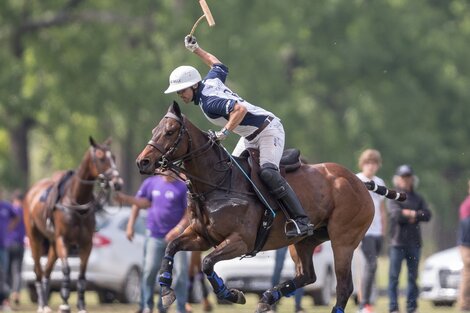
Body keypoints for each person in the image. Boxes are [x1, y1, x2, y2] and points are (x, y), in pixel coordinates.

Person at [162, 35, 314, 238]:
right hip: (249, 135)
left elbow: (239, 110)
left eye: (182, 90)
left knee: (268, 173)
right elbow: (218, 64)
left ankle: (301, 220)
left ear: (194, 86)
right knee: (230, 170)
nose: (180, 95)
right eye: (178, 92)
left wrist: (224, 133)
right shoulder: (210, 81)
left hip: (268, 130)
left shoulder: (209, 102)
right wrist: (196, 49)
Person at [116, 172, 190, 313]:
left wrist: (178, 229)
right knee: (149, 270)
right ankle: (146, 305)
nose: (165, 167)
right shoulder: (151, 183)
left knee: (180, 273)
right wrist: (130, 223)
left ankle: (180, 308)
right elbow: (142, 203)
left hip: (177, 240)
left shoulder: (182, 187)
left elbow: (189, 213)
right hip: (154, 235)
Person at [387, 165, 431, 313]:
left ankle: (411, 307)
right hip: (397, 243)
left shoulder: (418, 198)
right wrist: (416, 215)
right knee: (394, 277)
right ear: (398, 179)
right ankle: (393, 307)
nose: (406, 180)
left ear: (412, 179)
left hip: (414, 243)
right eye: (403, 177)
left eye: (408, 177)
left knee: (413, 277)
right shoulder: (393, 196)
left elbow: (427, 215)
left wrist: (409, 213)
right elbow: (397, 216)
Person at [355, 149, 387, 313]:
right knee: (371, 264)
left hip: (377, 232)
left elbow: (382, 209)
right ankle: (363, 304)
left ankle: (365, 301)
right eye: (368, 163)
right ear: (363, 164)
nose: (371, 166)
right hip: (364, 231)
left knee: (371, 267)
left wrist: (383, 230)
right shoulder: (357, 180)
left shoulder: (380, 182)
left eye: (374, 163)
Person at [0, 191, 19, 312]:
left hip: (3, 246)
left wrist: (9, 228)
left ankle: (4, 301)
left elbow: (17, 217)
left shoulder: (6, 206)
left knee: (4, 273)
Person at [270, 246, 304, 313]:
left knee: (299, 271)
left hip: (296, 237)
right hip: (283, 238)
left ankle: (298, 307)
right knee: (278, 268)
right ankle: (273, 303)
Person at [6, 191, 25, 307]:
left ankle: (7, 297)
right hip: (20, 244)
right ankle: (16, 292)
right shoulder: (25, 211)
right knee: (17, 270)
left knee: (7, 272)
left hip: (8, 244)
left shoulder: (10, 210)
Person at [458, 179, 470, 312]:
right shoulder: (467, 204)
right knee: (468, 274)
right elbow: (466, 225)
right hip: (467, 245)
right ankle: (464, 305)